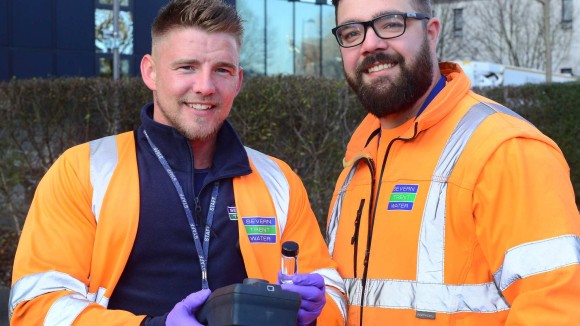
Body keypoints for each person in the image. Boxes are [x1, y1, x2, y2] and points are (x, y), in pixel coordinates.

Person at [9, 0, 346, 325]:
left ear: (238, 81)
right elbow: (37, 307)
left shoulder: (278, 179)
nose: (205, 86)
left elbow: (330, 292)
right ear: (150, 72)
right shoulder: (83, 171)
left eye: (222, 70)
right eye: (187, 67)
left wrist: (313, 315)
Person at [325, 0, 580, 325]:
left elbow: (556, 312)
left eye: (390, 23)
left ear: (431, 33)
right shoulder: (360, 159)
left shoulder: (506, 150)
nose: (370, 44)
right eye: (351, 32)